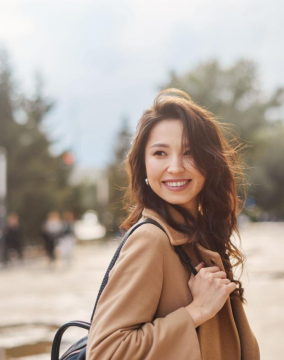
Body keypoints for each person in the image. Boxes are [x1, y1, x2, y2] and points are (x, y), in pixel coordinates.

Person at [87, 89, 260, 359]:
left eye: (189, 152)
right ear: (143, 165)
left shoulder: (198, 234)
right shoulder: (151, 239)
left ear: (209, 162)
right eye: (160, 153)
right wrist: (195, 312)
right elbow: (106, 352)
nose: (176, 167)